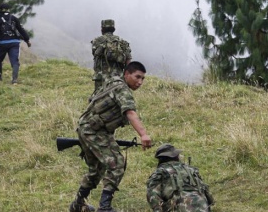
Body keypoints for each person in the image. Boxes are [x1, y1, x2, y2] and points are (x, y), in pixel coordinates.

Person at [69, 61, 152, 212]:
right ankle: (104, 207)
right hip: (94, 131)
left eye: (142, 79)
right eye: (137, 77)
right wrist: (143, 134)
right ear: (127, 74)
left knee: (97, 170)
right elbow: (130, 113)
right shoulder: (123, 90)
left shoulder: (114, 81)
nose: (140, 82)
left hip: (86, 128)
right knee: (117, 163)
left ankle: (78, 204)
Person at [146, 144, 215, 212]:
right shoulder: (191, 170)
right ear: (176, 156)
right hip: (202, 207)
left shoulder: (160, 172)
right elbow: (209, 196)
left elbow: (153, 196)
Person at [0, 3, 31, 84]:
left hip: (2, 43)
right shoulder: (14, 18)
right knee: (14, 61)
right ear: (9, 10)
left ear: (0, 10)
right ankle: (14, 79)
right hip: (14, 43)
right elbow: (21, 30)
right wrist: (27, 40)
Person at [91, 19, 132, 95]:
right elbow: (128, 61)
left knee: (99, 98)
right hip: (118, 77)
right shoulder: (123, 42)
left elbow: (95, 54)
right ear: (114, 29)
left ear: (102, 29)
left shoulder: (97, 41)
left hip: (101, 77)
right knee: (118, 97)